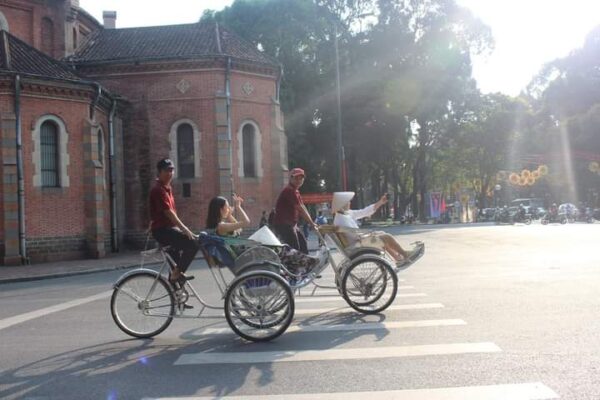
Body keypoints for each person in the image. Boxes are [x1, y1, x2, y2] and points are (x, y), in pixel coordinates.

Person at [205, 195, 324, 275]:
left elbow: (238, 228)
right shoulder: (221, 226)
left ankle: (304, 265)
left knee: (281, 249)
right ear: (221, 209)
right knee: (282, 249)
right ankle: (309, 263)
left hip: (243, 253)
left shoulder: (221, 226)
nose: (228, 208)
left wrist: (231, 214)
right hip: (244, 255)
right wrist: (238, 207)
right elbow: (246, 223)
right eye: (226, 206)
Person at [331, 191, 423, 268]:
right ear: (342, 204)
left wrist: (380, 202)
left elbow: (364, 212)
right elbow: (355, 235)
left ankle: (398, 258)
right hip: (357, 244)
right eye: (348, 201)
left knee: (382, 234)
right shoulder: (341, 219)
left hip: (358, 242)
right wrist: (369, 235)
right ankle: (405, 255)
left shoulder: (345, 214)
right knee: (386, 237)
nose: (350, 203)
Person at [149, 158, 199, 286]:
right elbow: (168, 212)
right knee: (193, 244)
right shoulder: (158, 190)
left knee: (177, 267)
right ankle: (176, 274)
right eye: (167, 170)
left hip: (167, 229)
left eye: (172, 170)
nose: (170, 173)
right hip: (163, 230)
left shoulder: (167, 188)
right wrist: (184, 229)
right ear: (159, 172)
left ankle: (178, 297)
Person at [272, 168, 316, 254]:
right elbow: (300, 209)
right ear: (291, 178)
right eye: (296, 178)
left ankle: (304, 265)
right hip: (284, 225)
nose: (299, 180)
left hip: (292, 224)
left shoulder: (296, 191)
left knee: (303, 245)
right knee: (295, 250)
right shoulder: (289, 191)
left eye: (301, 178)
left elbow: (303, 207)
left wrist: (312, 222)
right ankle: (293, 266)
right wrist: (311, 223)